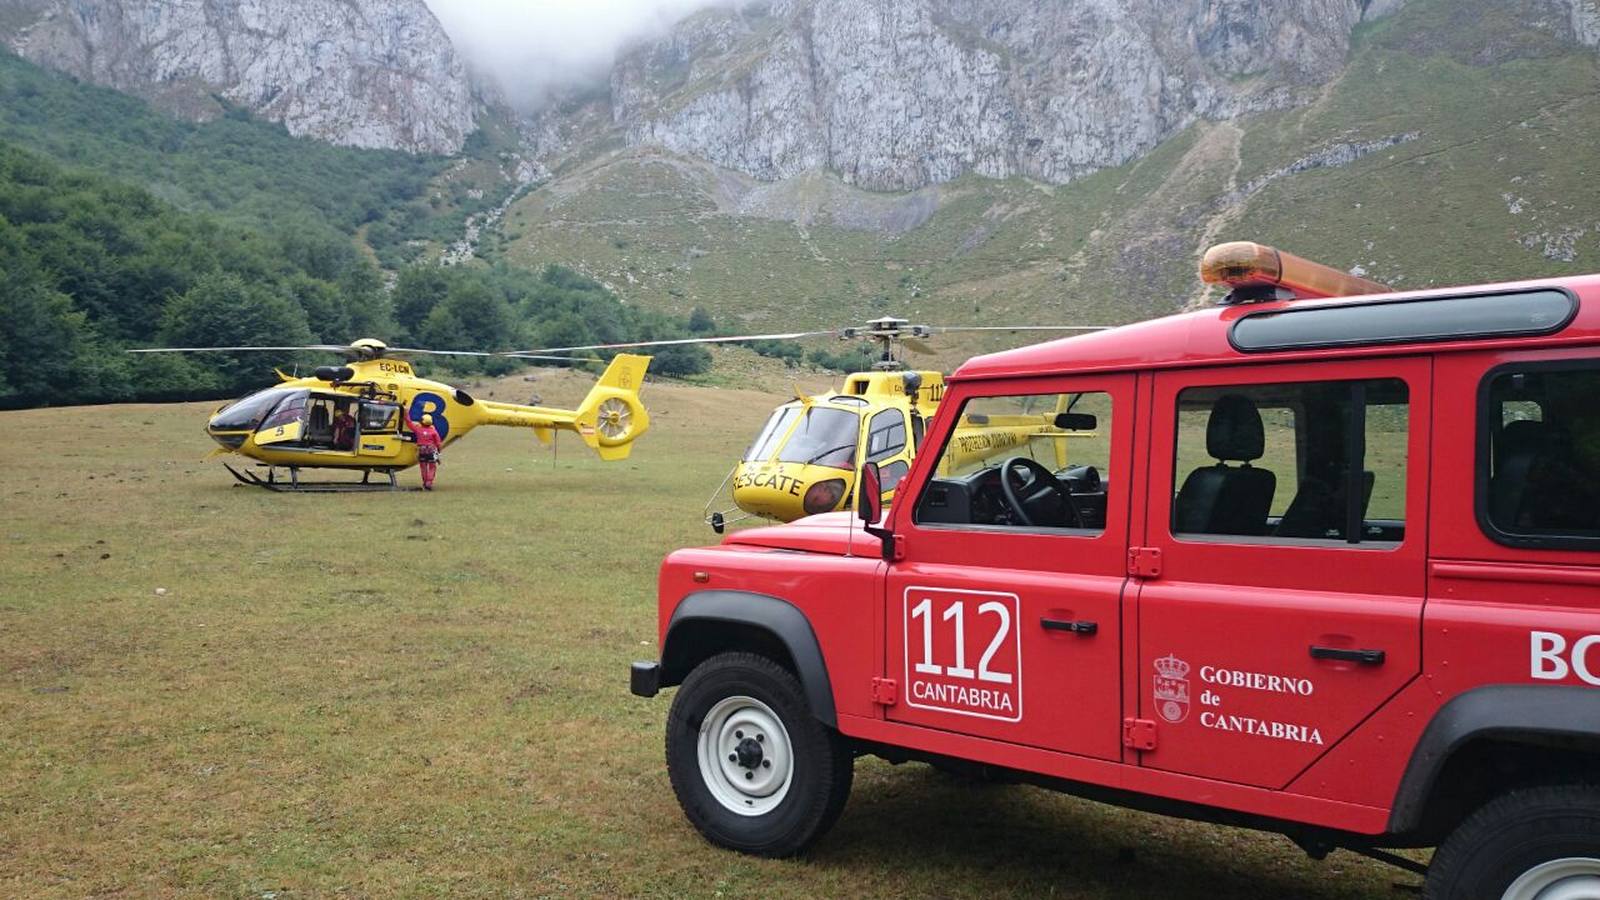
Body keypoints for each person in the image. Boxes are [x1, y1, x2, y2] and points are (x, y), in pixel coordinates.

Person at [403, 408, 443, 490]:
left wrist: (406, 413)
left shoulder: (418, 429)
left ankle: (425, 483)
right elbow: (438, 443)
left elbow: (409, 423)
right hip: (431, 451)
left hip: (422, 451)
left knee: (423, 467)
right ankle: (429, 482)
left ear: (422, 421)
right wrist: (439, 451)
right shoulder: (434, 431)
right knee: (432, 467)